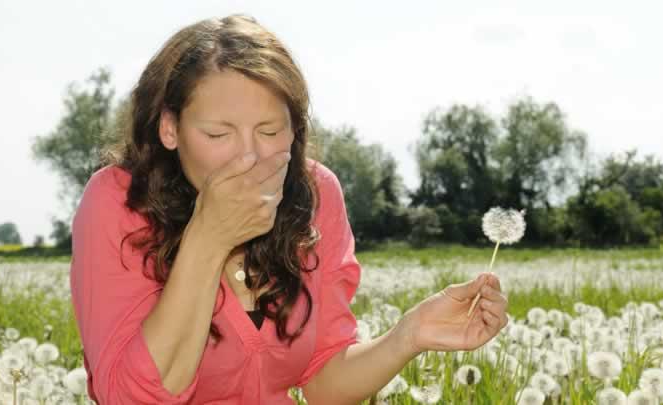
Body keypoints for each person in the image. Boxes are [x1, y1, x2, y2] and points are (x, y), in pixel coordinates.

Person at [69, 14, 509, 405]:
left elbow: (323, 382)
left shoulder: (316, 195)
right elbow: (131, 397)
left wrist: (409, 336)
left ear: (295, 129)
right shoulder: (118, 202)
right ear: (170, 128)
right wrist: (208, 239)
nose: (248, 158)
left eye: (269, 131)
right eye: (218, 135)